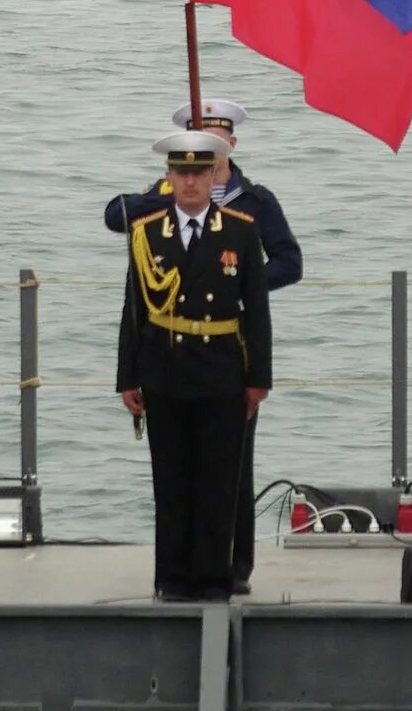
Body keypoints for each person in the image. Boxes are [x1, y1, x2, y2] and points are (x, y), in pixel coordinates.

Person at [102, 97, 300, 593]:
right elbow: (134, 301)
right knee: (171, 479)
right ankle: (173, 576)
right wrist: (127, 375)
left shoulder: (251, 209)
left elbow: (266, 298)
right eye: (180, 170)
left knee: (225, 477)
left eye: (202, 166)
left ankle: (227, 571)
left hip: (221, 362)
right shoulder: (151, 225)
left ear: (225, 152)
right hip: (167, 364)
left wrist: (259, 377)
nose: (191, 179)